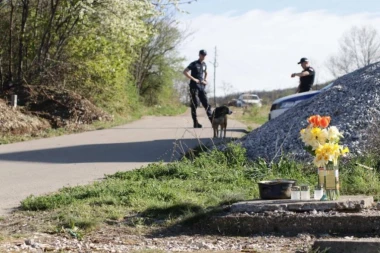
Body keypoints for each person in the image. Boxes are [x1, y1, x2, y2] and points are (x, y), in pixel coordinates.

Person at [183, 49, 213, 128]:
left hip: (201, 87)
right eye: (202, 55)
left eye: (204, 55)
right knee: (195, 104)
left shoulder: (204, 64)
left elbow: (206, 72)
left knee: (206, 104)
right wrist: (194, 79)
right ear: (199, 55)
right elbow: (185, 72)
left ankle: (212, 122)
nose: (203, 56)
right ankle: (195, 122)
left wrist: (205, 80)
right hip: (194, 87)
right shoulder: (194, 64)